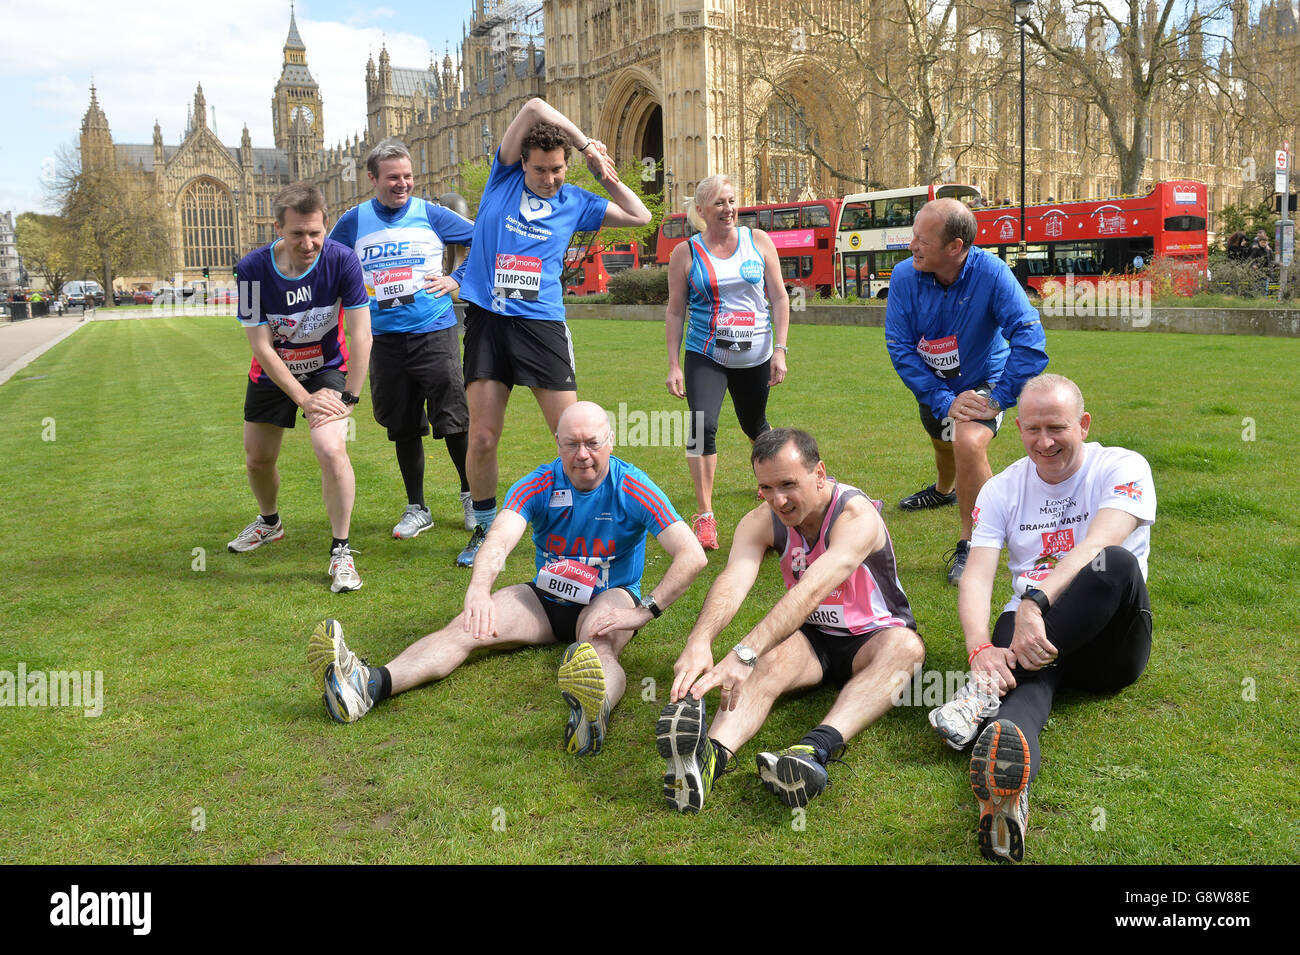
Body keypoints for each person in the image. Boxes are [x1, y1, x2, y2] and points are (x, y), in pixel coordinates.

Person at [307, 401, 706, 757]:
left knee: (597, 647)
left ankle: (591, 715)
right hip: (546, 599)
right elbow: (498, 539)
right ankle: (368, 685)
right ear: (557, 442)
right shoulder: (540, 483)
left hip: (609, 598)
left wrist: (644, 611)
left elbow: (692, 555)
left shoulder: (632, 485)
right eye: (571, 444)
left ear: (611, 441)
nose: (583, 455)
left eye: (593, 443)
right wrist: (478, 591)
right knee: (466, 628)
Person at [927, 374, 1155, 862]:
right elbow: (976, 576)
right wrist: (979, 649)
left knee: (1114, 563)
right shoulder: (1003, 487)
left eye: (1057, 428)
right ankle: (1005, 800)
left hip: (1110, 647)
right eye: (1032, 429)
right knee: (1022, 670)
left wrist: (1035, 602)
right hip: (1032, 645)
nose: (1044, 441)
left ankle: (986, 692)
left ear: (1084, 424)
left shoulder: (1123, 466)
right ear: (1019, 429)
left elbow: (1098, 546)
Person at [656, 428, 924, 813]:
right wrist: (700, 639)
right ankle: (707, 759)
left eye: (788, 484)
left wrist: (743, 651)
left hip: (874, 637)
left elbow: (810, 591)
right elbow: (733, 580)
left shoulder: (856, 516)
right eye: (765, 487)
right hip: (813, 637)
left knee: (908, 650)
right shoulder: (761, 519)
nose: (778, 500)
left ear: (820, 474)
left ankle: (811, 751)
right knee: (766, 664)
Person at [451, 97, 652, 568]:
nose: (550, 178)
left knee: (574, 435)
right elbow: (535, 105)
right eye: (540, 170)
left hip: (541, 325)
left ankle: (589, 528)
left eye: (558, 169)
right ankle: (483, 529)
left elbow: (641, 217)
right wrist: (584, 141)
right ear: (521, 163)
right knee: (481, 436)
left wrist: (602, 172)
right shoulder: (501, 179)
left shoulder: (576, 202)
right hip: (486, 320)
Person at [885, 197, 1048, 584]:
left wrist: (997, 399)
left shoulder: (991, 273)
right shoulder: (905, 276)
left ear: (955, 247)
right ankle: (944, 489)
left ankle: (974, 543)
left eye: (922, 240)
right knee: (943, 440)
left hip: (983, 382)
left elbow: (1030, 339)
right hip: (934, 385)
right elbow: (900, 347)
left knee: (968, 441)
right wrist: (942, 399)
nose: (912, 247)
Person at [228, 182, 372, 593]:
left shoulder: (342, 260)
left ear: (325, 225)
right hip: (274, 371)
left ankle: (341, 551)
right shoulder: (253, 269)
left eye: (315, 232)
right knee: (258, 459)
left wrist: (349, 397)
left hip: (327, 368)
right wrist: (303, 398)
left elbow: (362, 335)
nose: (308, 243)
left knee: (330, 448)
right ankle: (269, 523)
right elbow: (260, 344)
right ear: (278, 228)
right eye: (297, 234)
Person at [330, 138, 476, 540]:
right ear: (373, 178)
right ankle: (417, 508)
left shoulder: (430, 212)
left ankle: (471, 497)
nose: (403, 184)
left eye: (408, 176)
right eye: (393, 177)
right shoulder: (353, 221)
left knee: (453, 418)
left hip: (434, 330)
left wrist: (455, 279)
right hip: (384, 339)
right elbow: (329, 263)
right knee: (404, 425)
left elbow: (481, 239)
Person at [665, 174, 789, 551]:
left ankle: (771, 481)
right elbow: (674, 312)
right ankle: (704, 516)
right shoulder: (685, 252)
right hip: (706, 353)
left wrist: (780, 349)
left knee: (755, 424)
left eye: (732, 201)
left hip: (755, 353)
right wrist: (673, 364)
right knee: (702, 425)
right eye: (719, 203)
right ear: (701, 210)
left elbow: (781, 299)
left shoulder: (759, 242)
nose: (728, 209)